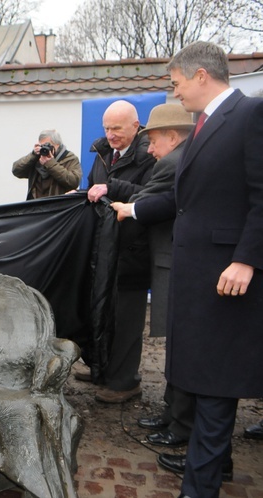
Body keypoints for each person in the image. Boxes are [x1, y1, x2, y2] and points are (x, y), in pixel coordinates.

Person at [111, 41, 263, 497]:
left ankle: (200, 487)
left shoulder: (250, 115)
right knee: (201, 375)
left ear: (201, 76)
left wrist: (246, 258)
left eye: (175, 83)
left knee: (215, 381)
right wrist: (133, 210)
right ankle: (215, 469)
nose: (173, 92)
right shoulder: (203, 125)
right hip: (196, 274)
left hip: (227, 276)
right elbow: (184, 199)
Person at [112, 104, 196, 449]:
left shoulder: (172, 163)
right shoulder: (182, 159)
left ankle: (180, 425)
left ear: (172, 137)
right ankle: (173, 416)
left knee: (182, 348)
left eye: (154, 140)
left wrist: (124, 205)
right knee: (179, 347)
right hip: (171, 260)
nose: (150, 149)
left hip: (173, 262)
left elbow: (149, 202)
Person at [82, 100, 156, 404]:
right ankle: (104, 369)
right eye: (107, 128)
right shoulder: (102, 153)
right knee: (105, 313)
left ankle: (126, 381)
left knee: (127, 320)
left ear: (135, 127)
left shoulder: (150, 156)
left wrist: (112, 186)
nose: (111, 134)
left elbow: (153, 198)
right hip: (106, 248)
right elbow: (92, 187)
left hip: (134, 249)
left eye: (117, 128)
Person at [12, 129, 82, 199]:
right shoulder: (36, 159)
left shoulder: (69, 158)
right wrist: (33, 155)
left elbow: (74, 182)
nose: (45, 149)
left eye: (48, 145)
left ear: (57, 144)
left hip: (58, 206)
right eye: (42, 146)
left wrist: (50, 163)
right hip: (35, 206)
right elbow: (16, 171)